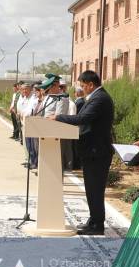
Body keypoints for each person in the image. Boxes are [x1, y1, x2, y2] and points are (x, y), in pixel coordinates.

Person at [49, 70, 114, 236]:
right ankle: (94, 221)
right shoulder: (96, 97)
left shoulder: (100, 99)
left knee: (95, 190)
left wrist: (58, 117)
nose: (81, 89)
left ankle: (97, 225)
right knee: (92, 189)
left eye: (83, 86)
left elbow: (82, 119)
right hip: (92, 151)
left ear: (91, 84)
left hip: (97, 152)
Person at [17, 83, 39, 169]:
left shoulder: (33, 98)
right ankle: (30, 160)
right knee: (27, 144)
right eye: (23, 89)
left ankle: (33, 162)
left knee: (32, 145)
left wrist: (22, 113)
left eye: (26, 89)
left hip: (31, 123)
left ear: (30, 89)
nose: (24, 91)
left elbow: (30, 111)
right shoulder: (25, 97)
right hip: (24, 122)